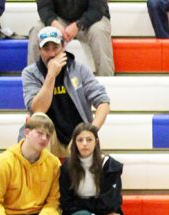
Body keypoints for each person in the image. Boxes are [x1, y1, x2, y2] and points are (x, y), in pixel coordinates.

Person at [22, 25, 110, 160]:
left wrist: (92, 129)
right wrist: (51, 76)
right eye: (46, 48)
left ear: (63, 47)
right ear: (39, 50)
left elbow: (103, 101)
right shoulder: (30, 73)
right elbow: (38, 109)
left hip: (77, 135)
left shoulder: (79, 69)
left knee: (87, 141)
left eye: (55, 48)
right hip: (49, 136)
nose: (51, 54)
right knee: (39, 124)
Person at [28, 0, 113, 76]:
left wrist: (78, 25)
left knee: (99, 31)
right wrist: (53, 23)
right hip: (58, 20)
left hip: (92, 20)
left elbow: (97, 9)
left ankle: (107, 82)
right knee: (36, 31)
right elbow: (44, 6)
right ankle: (33, 82)